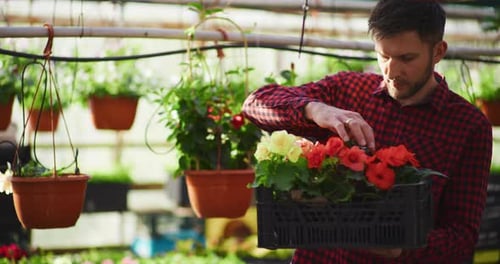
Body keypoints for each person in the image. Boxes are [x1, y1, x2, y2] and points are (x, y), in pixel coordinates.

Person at [242, 0, 493, 263]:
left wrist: (404, 248)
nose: (392, 71)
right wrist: (314, 109)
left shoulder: (468, 125)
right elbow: (255, 104)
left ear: (438, 51)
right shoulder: (349, 89)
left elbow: (462, 237)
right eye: (384, 56)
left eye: (407, 58)